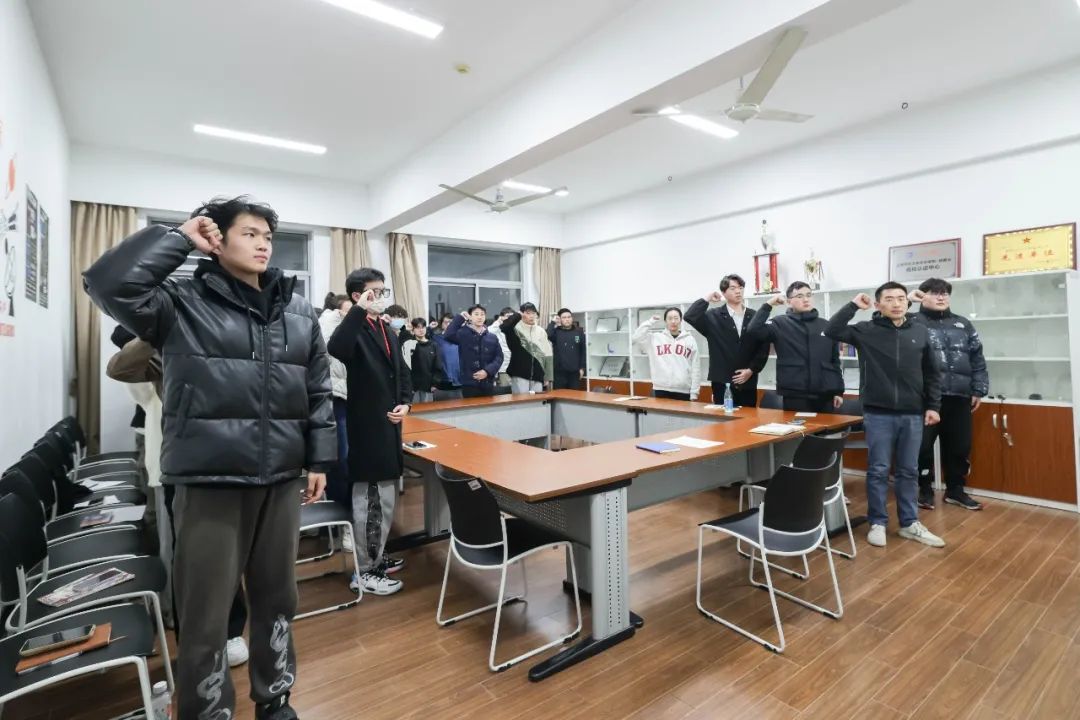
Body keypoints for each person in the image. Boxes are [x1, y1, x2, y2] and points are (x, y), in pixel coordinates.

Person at [83, 195, 335, 720]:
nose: (263, 244)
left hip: (281, 478)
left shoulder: (298, 311)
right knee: (206, 610)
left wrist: (318, 460)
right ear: (216, 240)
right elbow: (107, 284)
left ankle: (275, 697)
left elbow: (316, 392)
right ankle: (206, 710)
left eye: (268, 235)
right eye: (249, 233)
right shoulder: (179, 303)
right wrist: (178, 239)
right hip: (209, 479)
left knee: (278, 599)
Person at [826, 282, 945, 549]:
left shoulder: (920, 331)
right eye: (889, 299)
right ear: (878, 304)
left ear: (907, 302)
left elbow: (933, 373)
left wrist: (933, 406)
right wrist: (853, 305)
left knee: (909, 470)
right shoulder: (866, 330)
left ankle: (909, 523)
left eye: (901, 298)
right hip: (878, 413)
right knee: (878, 470)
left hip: (913, 413)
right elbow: (831, 330)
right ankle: (877, 522)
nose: (896, 303)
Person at [327, 267, 412, 596]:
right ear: (357, 296)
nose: (381, 298)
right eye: (374, 292)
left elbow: (402, 372)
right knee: (371, 501)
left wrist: (406, 403)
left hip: (389, 424)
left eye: (383, 291)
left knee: (384, 500)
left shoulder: (386, 328)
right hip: (366, 427)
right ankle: (364, 570)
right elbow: (337, 348)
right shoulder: (355, 326)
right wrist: (359, 310)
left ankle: (376, 556)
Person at [909, 279, 989, 511]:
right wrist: (909, 302)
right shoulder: (911, 322)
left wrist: (978, 389)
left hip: (959, 396)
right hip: (925, 398)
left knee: (959, 446)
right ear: (922, 296)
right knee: (921, 447)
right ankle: (924, 489)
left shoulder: (962, 324)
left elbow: (977, 358)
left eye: (945, 293)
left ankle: (955, 490)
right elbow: (884, 325)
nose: (941, 297)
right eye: (935, 293)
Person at [746, 281, 845, 413]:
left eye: (809, 295)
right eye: (799, 296)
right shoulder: (780, 323)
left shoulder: (826, 325)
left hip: (825, 394)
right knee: (798, 426)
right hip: (795, 394)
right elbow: (753, 330)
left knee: (825, 426)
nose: (806, 299)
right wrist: (768, 305)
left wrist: (838, 391)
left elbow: (835, 361)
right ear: (789, 302)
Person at [685, 274, 769, 407]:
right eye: (733, 288)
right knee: (723, 417)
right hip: (722, 381)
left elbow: (763, 347)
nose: (738, 291)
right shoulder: (713, 316)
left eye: (740, 288)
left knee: (748, 417)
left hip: (747, 381)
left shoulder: (754, 315)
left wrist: (752, 370)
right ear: (724, 292)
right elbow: (690, 316)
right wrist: (707, 298)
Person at [319, 293, 354, 509]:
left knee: (350, 457)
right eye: (348, 310)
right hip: (336, 398)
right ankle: (339, 508)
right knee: (341, 457)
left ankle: (348, 506)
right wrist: (337, 317)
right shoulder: (327, 324)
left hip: (352, 397)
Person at [632, 307, 701, 401]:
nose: (673, 321)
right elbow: (635, 338)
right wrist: (650, 321)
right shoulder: (655, 338)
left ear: (681, 320)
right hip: (660, 389)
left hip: (684, 390)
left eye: (676, 318)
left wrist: (694, 393)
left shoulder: (690, 339)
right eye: (670, 318)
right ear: (665, 321)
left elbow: (696, 367)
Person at [445, 305, 504, 398]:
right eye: (476, 314)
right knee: (471, 407)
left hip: (488, 382)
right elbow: (448, 335)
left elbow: (499, 357)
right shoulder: (463, 333)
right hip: (469, 383)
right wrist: (460, 318)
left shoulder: (492, 337)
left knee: (489, 407)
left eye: (482, 314)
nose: (479, 317)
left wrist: (487, 371)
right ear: (470, 317)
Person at [501, 302, 553, 393]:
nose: (531, 316)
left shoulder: (541, 331)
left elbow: (548, 353)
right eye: (528, 313)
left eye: (533, 313)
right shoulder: (515, 329)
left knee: (538, 400)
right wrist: (517, 315)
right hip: (519, 374)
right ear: (522, 314)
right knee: (521, 400)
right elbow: (504, 327)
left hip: (538, 374)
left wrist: (548, 376)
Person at [402, 317, 444, 403]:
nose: (421, 330)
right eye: (417, 327)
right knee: (413, 409)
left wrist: (435, 383)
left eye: (423, 327)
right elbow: (405, 366)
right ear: (413, 330)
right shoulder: (409, 344)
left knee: (428, 410)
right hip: (413, 387)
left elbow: (438, 365)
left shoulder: (433, 345)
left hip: (428, 386)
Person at [547, 308, 587, 390]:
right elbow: (548, 334)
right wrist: (553, 322)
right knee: (559, 395)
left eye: (569, 317)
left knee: (574, 395)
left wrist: (582, 368)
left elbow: (583, 351)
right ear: (560, 319)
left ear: (572, 318)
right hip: (559, 372)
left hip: (574, 372)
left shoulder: (579, 332)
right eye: (564, 317)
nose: (567, 319)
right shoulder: (556, 332)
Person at [433, 312, 462, 391]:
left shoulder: (461, 337)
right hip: (443, 379)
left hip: (460, 378)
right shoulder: (436, 338)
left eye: (451, 323)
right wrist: (430, 328)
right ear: (441, 324)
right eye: (446, 322)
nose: (449, 325)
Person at [488, 307, 514, 386]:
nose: (510, 319)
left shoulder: (516, 328)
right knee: (505, 390)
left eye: (512, 316)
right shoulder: (497, 328)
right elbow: (488, 331)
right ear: (502, 317)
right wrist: (498, 322)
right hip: (504, 368)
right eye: (507, 316)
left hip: (516, 368)